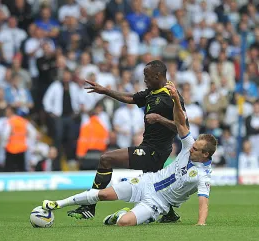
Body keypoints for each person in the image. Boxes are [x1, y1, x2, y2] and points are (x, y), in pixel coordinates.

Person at [42, 81, 217, 226]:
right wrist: (177, 100)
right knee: (103, 194)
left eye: (196, 149)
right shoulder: (189, 145)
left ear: (205, 155)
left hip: (159, 202)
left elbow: (204, 202)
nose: (191, 148)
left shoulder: (203, 176)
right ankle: (57, 204)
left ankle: (121, 215)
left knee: (123, 223)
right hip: (148, 182)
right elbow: (181, 124)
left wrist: (201, 223)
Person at [67, 60, 188, 223]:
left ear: (158, 75)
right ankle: (170, 214)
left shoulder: (171, 96)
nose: (144, 79)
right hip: (150, 147)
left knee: (106, 159)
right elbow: (130, 98)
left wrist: (159, 119)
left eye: (147, 76)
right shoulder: (152, 92)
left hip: (155, 150)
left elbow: (183, 127)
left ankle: (89, 207)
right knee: (151, 184)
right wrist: (105, 91)